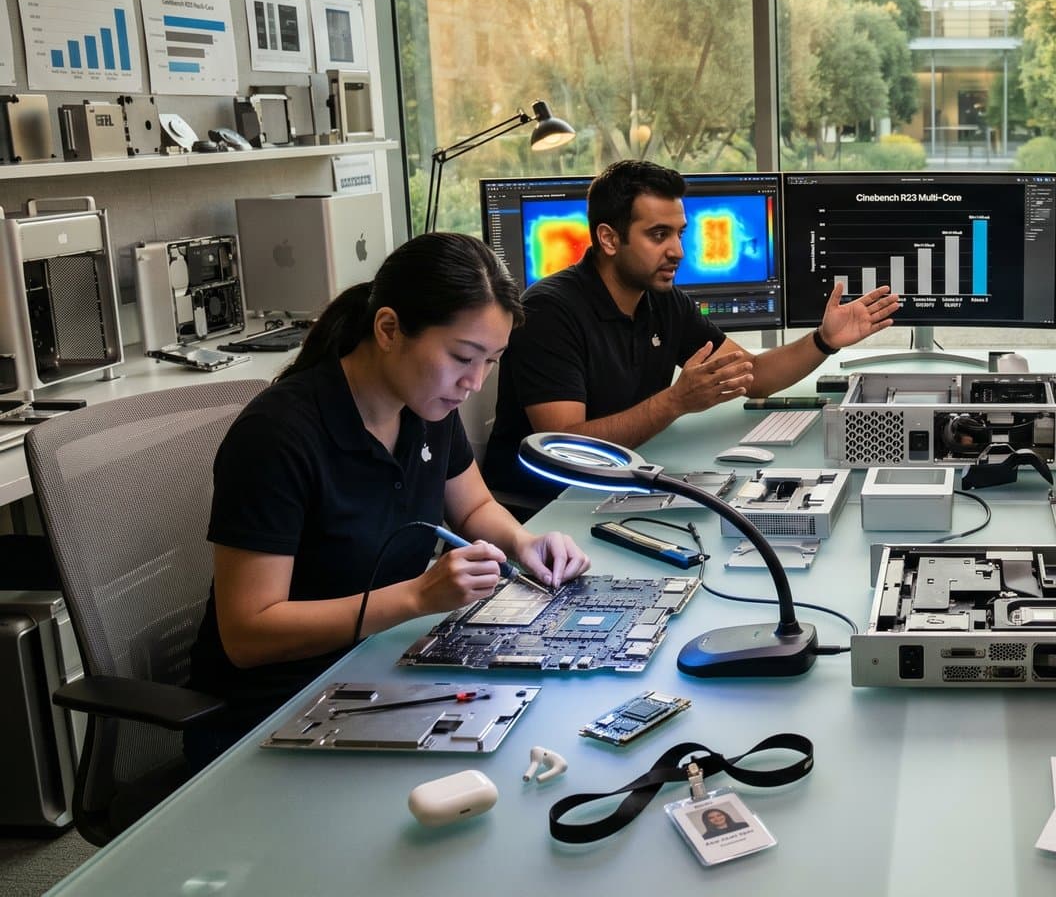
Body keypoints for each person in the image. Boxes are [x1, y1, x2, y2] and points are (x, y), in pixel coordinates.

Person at [187, 233, 591, 765]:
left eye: (491, 361)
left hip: (379, 665)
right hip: (272, 714)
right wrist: (418, 597)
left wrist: (524, 541)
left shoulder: (428, 407)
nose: (473, 382)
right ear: (388, 329)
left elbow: (471, 509)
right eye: (462, 357)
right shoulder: (278, 435)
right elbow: (248, 633)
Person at [484, 160, 900, 501]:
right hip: (549, 506)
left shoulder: (662, 300)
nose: (678, 251)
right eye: (658, 235)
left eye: (679, 233)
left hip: (622, 480)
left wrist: (823, 340)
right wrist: (675, 402)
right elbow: (565, 447)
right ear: (609, 239)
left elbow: (751, 375)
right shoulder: (549, 312)